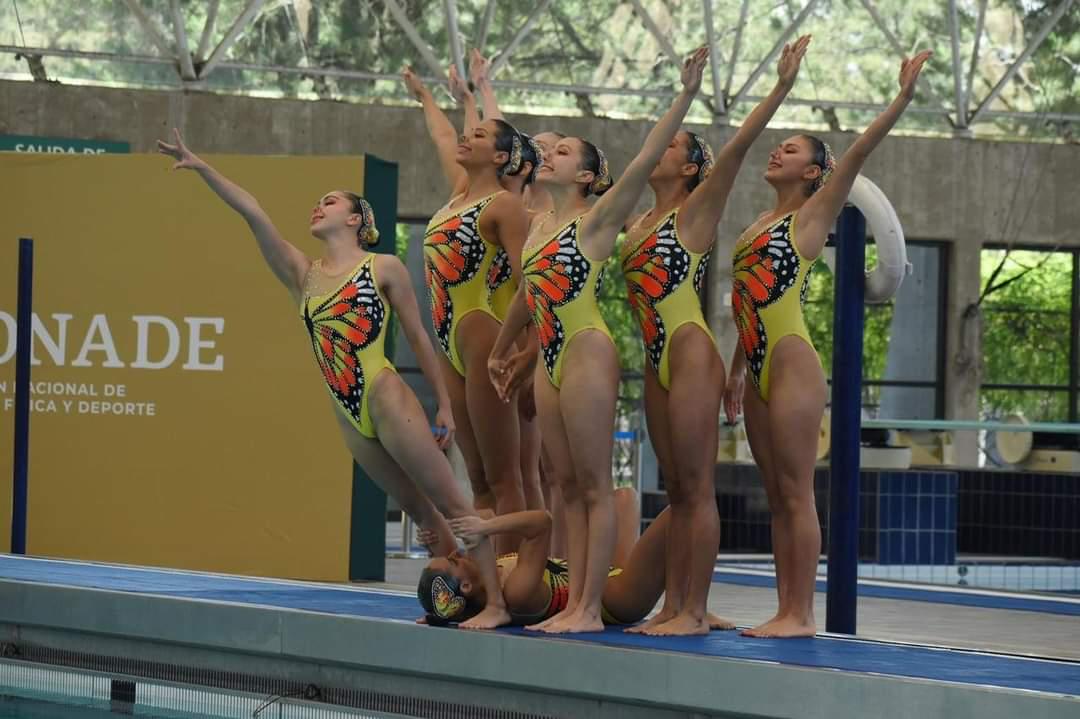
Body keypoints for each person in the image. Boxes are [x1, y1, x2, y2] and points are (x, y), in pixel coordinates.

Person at [156, 129, 509, 629]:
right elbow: (253, 213)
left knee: (454, 506)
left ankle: (496, 602)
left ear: (356, 219)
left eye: (330, 202)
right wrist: (203, 167)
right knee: (424, 518)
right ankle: (452, 600)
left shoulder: (382, 266)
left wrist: (446, 406)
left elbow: (419, 336)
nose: (317, 208)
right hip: (346, 412)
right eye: (316, 203)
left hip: (385, 393)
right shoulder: (302, 273)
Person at [488, 48, 710, 634]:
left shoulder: (598, 218)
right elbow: (525, 292)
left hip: (586, 348)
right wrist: (501, 345)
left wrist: (684, 94)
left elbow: (641, 160)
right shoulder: (539, 222)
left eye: (563, 151)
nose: (549, 156)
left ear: (586, 175)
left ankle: (588, 605)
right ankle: (575, 602)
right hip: (551, 357)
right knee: (562, 484)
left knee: (591, 485)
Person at [722, 51, 933, 638]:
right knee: (774, 493)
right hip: (759, 361)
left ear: (816, 173)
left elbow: (860, 151)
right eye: (778, 145)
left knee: (795, 492)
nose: (777, 152)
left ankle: (803, 613)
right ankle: (785, 607)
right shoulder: (755, 226)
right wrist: (737, 368)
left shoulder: (812, 218)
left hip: (791, 365)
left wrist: (902, 99)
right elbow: (748, 301)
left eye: (790, 149)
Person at [620, 37, 811, 636]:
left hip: (688, 349)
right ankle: (674, 604)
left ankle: (695, 611)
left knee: (697, 486)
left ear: (692, 169)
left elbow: (738, 146)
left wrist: (777, 87)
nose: (660, 150)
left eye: (673, 145)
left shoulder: (696, 211)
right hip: (656, 358)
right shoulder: (634, 222)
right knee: (675, 487)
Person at [402, 68, 533, 553]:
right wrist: (424, 95)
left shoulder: (505, 206)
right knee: (476, 476)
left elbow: (531, 283)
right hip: (450, 342)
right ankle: (486, 585)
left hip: (483, 333)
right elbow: (441, 133)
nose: (464, 135)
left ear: (499, 156)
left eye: (476, 134)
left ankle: (516, 578)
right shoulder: (459, 193)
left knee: (504, 476)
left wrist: (525, 352)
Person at [418, 488, 669, 630]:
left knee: (625, 497)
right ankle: (692, 604)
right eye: (452, 561)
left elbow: (483, 513)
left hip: (603, 574)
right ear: (466, 586)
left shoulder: (481, 576)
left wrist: (437, 534)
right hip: (616, 600)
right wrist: (486, 527)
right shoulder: (516, 592)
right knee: (676, 514)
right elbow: (542, 523)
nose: (455, 553)